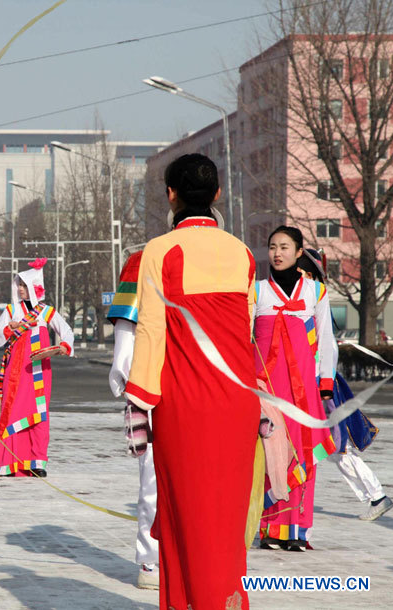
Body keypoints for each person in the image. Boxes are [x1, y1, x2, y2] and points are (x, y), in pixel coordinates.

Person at [124, 154, 257, 610]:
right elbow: (248, 333)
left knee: (189, 517)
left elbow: (151, 330)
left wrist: (138, 405)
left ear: (170, 195)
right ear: (218, 194)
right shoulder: (242, 253)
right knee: (226, 519)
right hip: (240, 403)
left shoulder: (159, 252)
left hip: (186, 404)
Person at [254, 227, 337, 552]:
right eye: (273, 246)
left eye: (285, 247)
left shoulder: (315, 292)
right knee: (270, 456)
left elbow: (327, 341)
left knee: (303, 457)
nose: (277, 253)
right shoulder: (258, 292)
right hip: (267, 390)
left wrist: (326, 385)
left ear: (299, 251)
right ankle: (269, 528)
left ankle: (298, 531)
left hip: (303, 390)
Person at [295, 249, 393, 522]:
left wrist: (321, 385)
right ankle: (375, 497)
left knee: (337, 448)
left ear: (311, 275)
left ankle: (376, 496)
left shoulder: (314, 301)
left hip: (321, 388)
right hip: (310, 386)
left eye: (300, 272)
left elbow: (326, 350)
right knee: (329, 449)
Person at [0, 258, 73, 478]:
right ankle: (8, 463)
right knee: (11, 412)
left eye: (24, 285)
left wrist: (64, 345)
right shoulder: (11, 310)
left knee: (39, 415)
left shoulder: (46, 312)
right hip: (15, 373)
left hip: (38, 373)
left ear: (35, 287)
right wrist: (10, 328)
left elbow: (66, 331)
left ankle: (36, 462)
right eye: (19, 284)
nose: (20, 289)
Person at [107, 249, 159, 591]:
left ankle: (163, 559)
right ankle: (153, 558)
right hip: (165, 381)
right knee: (156, 477)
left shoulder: (226, 255)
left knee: (165, 478)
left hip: (178, 383)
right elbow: (128, 321)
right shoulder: (145, 259)